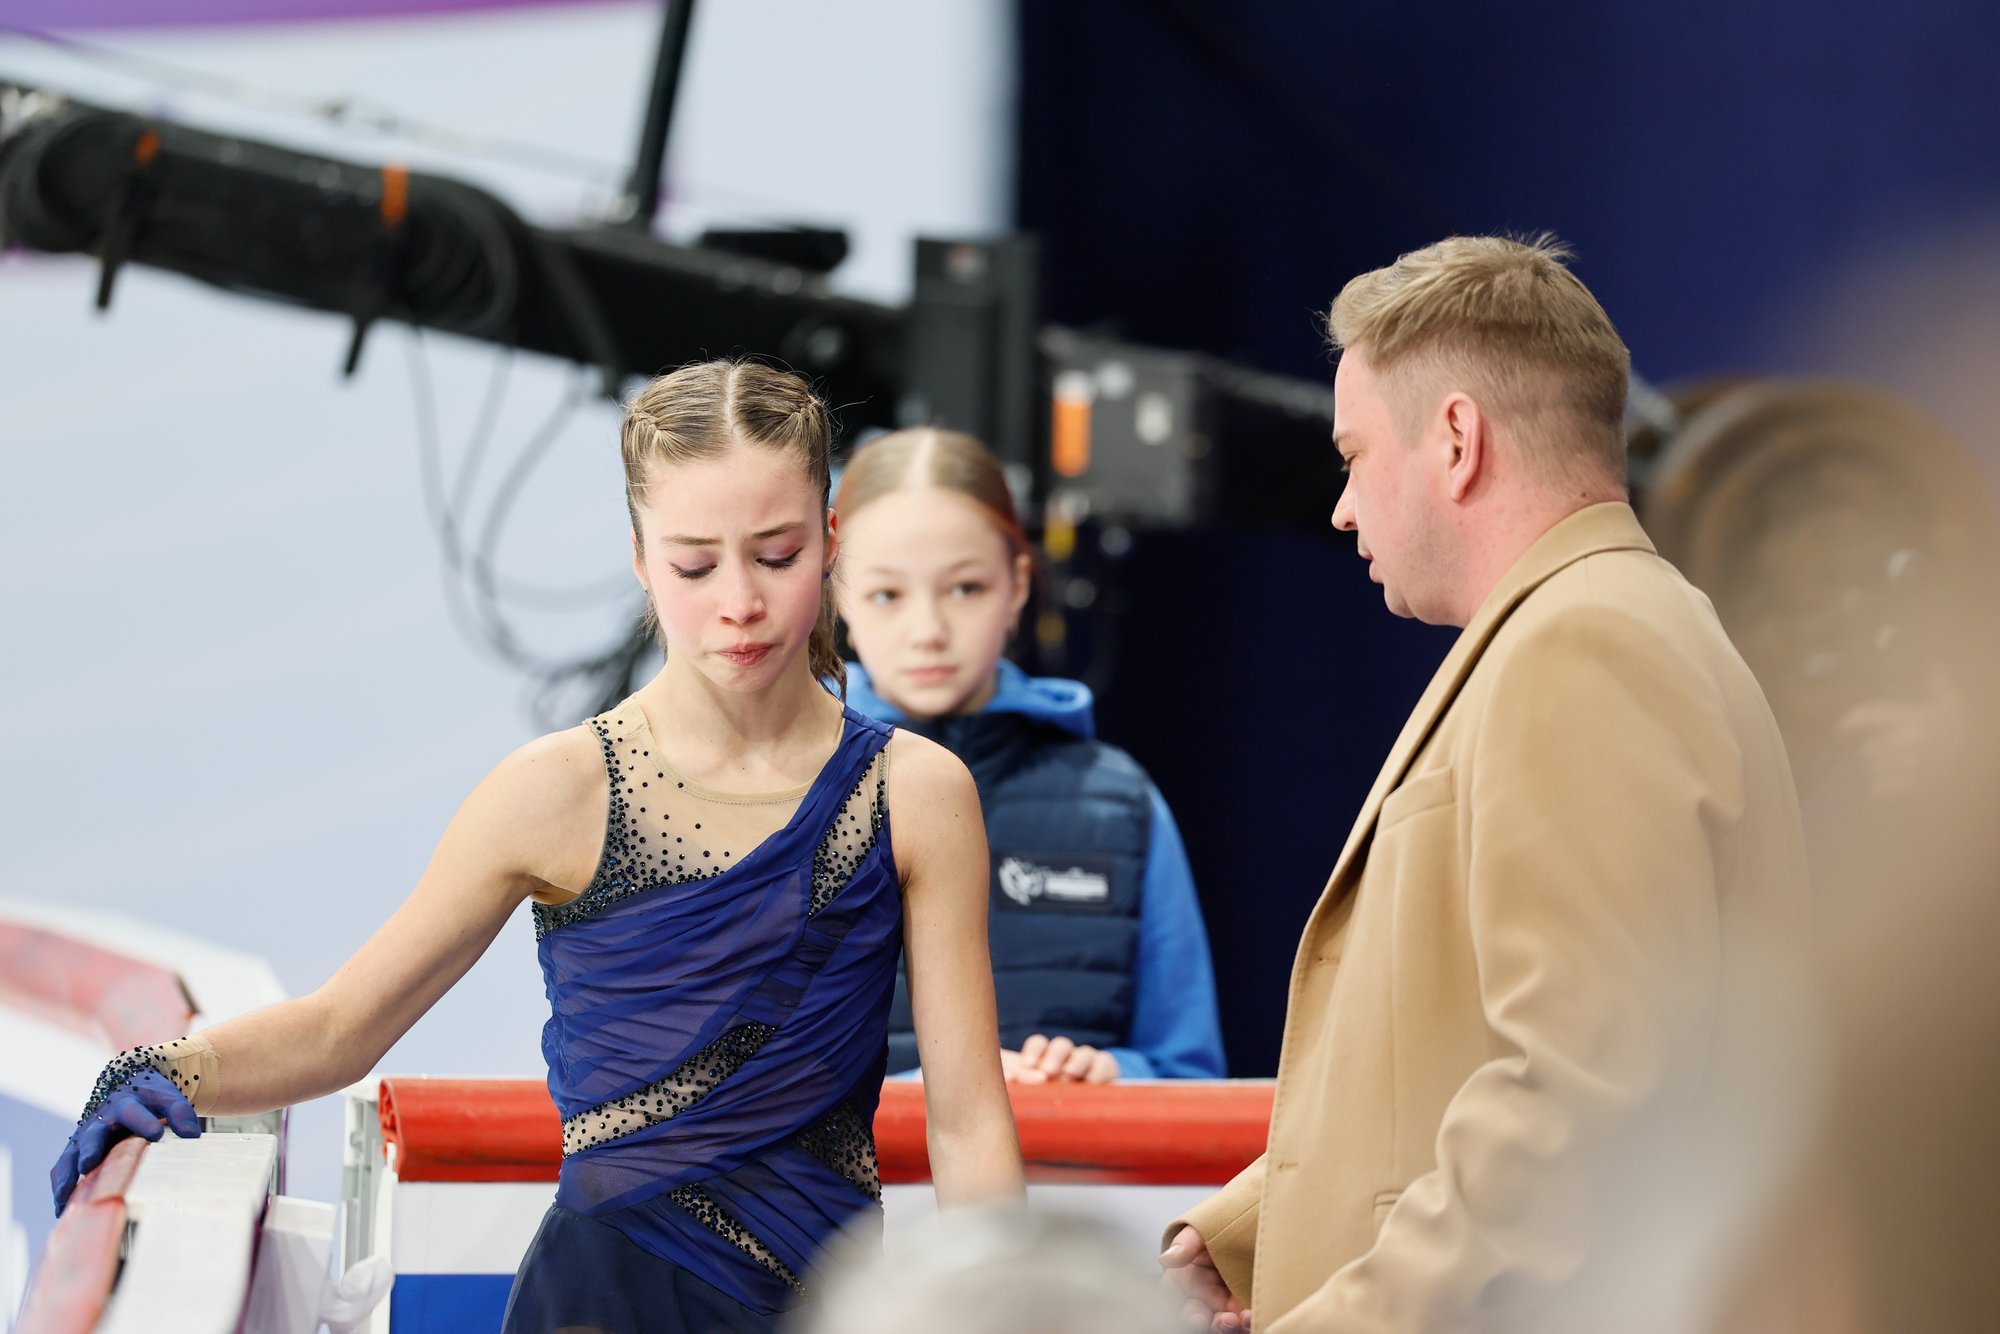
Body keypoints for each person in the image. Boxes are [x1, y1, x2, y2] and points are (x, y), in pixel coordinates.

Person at [51, 360, 1025, 1332]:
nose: (738, 600)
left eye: (774, 555)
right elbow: (341, 1022)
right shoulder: (554, 789)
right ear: (640, 557)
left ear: (828, 542)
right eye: (694, 563)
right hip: (593, 1305)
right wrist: (168, 1067)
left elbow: (969, 1121)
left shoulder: (917, 790)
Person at [1158, 237, 1811, 1332]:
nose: (1340, 508)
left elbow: (1580, 1103)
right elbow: (1470, 1062)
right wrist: (1251, 1234)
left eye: (1353, 455)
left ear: (1454, 438)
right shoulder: (1589, 624)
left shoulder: (1584, 641)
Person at [831, 427, 1225, 1084]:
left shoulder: (1118, 804)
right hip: (852, 1191)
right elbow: (724, 1093)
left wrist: (1107, 1076)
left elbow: (1190, 1072)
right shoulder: (774, 799)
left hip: (1077, 1186)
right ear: (837, 592)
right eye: (886, 595)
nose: (927, 630)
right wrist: (920, 1101)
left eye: (964, 589)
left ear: (1016, 586)